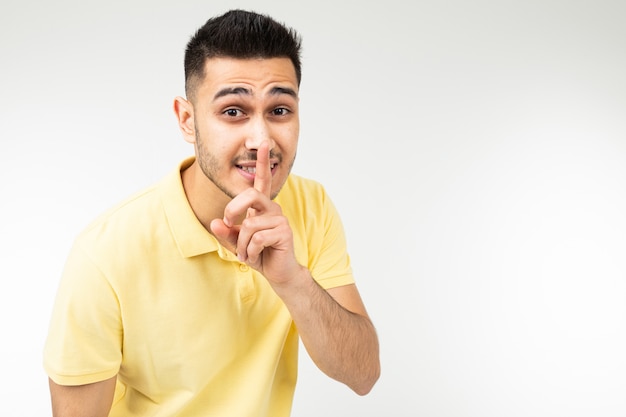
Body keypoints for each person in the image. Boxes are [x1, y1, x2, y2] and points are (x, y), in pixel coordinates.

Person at [43, 9, 380, 417]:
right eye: (233, 111)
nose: (261, 140)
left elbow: (363, 375)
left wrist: (293, 281)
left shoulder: (312, 206)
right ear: (187, 119)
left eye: (279, 111)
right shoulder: (105, 253)